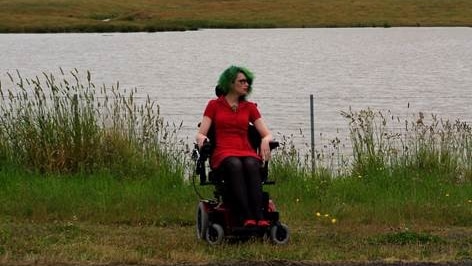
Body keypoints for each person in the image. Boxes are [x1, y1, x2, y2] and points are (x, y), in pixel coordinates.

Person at [196, 65, 273, 227]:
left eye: (247, 82)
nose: (246, 85)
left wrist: (265, 140)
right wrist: (203, 142)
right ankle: (245, 216)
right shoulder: (214, 106)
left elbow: (266, 133)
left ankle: (259, 216)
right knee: (235, 164)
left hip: (245, 150)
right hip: (223, 152)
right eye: (242, 81)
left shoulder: (250, 107)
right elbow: (201, 133)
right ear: (230, 83)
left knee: (252, 164)